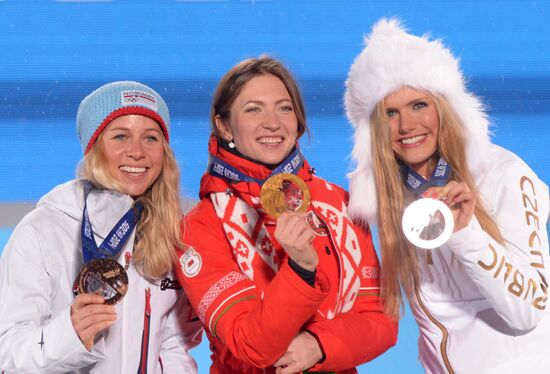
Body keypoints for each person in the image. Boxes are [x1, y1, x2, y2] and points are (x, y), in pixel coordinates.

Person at [344, 18, 550, 373]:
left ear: (447, 108)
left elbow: (529, 310)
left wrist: (465, 232)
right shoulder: (392, 196)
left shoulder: (504, 175)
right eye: (390, 113)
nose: (407, 126)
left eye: (419, 105)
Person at [175, 56, 397, 374]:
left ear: (298, 121)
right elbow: (251, 345)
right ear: (224, 125)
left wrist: (319, 345)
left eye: (284, 107)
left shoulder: (339, 203)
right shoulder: (201, 226)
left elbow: (381, 321)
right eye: (253, 109)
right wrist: (301, 270)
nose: (273, 123)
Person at [0, 81, 202, 373]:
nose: (137, 152)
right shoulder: (43, 231)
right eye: (120, 137)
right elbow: (6, 352)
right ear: (94, 148)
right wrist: (68, 335)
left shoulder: (168, 232)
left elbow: (171, 343)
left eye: (150, 138)